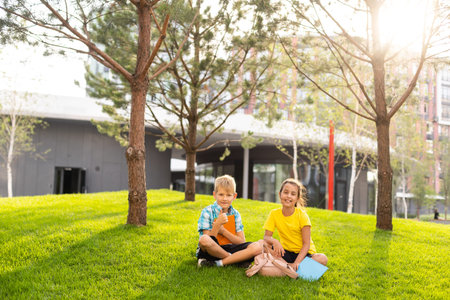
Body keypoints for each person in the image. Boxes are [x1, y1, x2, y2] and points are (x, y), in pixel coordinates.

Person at [196, 174, 262, 267]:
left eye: (228, 195)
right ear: (214, 195)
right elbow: (207, 242)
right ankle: (235, 259)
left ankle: (219, 263)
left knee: (258, 246)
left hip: (231, 247)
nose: (224, 198)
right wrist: (217, 225)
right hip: (212, 250)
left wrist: (223, 231)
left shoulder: (236, 214)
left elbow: (241, 241)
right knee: (203, 239)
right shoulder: (207, 212)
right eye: (221, 194)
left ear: (234, 196)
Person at [263, 178, 328, 271]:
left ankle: (288, 268)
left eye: (293, 194)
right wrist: (275, 241)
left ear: (297, 198)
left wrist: (297, 262)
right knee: (262, 244)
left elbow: (306, 245)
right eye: (285, 192)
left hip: (304, 255)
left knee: (322, 258)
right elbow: (266, 237)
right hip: (286, 253)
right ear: (280, 194)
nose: (288, 196)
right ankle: (291, 268)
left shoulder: (302, 215)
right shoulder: (274, 213)